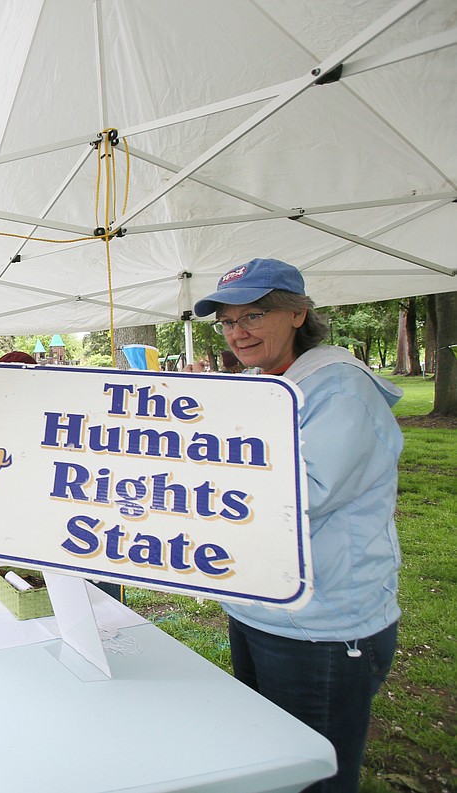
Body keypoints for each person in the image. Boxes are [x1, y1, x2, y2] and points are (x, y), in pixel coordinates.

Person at [192, 257, 402, 793]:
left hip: (324, 625)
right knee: (273, 758)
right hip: (260, 608)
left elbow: (297, 495)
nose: (238, 332)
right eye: (228, 321)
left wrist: (188, 493)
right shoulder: (265, 382)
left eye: (254, 315)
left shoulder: (339, 391)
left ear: (297, 313)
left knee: (313, 773)